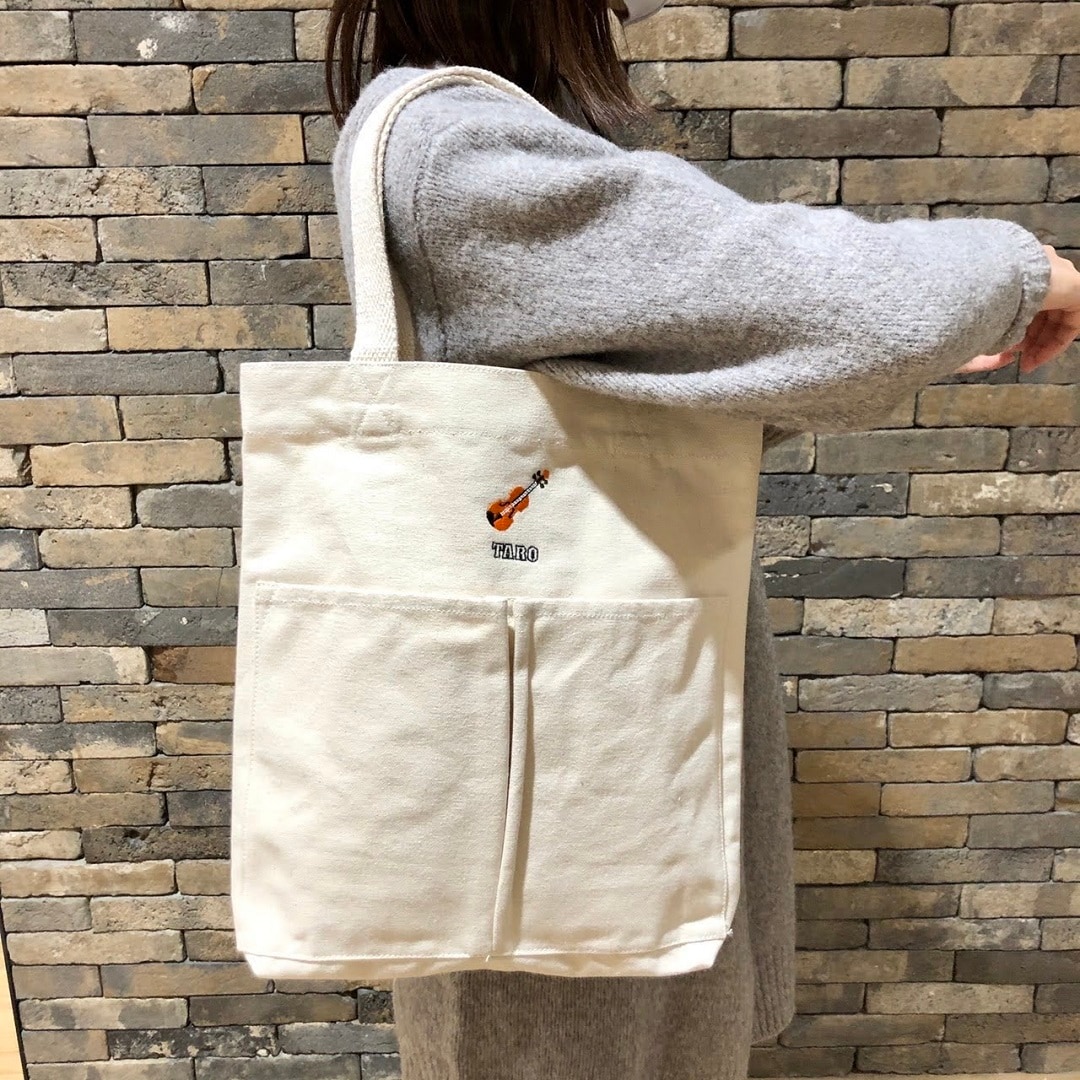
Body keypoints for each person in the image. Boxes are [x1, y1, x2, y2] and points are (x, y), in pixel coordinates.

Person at [324, 1, 1080, 1077]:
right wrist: (1016, 273)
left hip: (576, 758)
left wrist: (818, 359)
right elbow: (778, 282)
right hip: (574, 790)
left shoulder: (458, 142)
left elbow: (643, 389)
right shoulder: (458, 151)